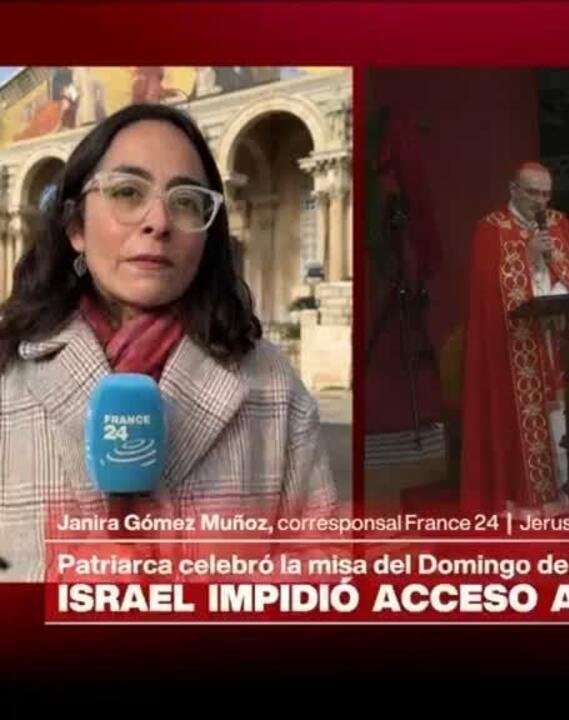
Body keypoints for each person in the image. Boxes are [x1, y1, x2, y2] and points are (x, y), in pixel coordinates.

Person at [0, 104, 337, 581]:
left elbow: (322, 573)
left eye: (184, 201)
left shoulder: (272, 386)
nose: (159, 221)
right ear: (75, 227)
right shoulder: (8, 378)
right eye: (126, 192)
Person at [460, 162, 569, 516]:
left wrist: (559, 272)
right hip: (519, 346)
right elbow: (489, 294)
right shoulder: (491, 230)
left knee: (567, 409)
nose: (540, 201)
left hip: (561, 338)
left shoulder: (560, 223)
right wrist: (527, 257)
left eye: (546, 193)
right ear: (513, 189)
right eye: (532, 192)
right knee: (535, 416)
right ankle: (536, 499)